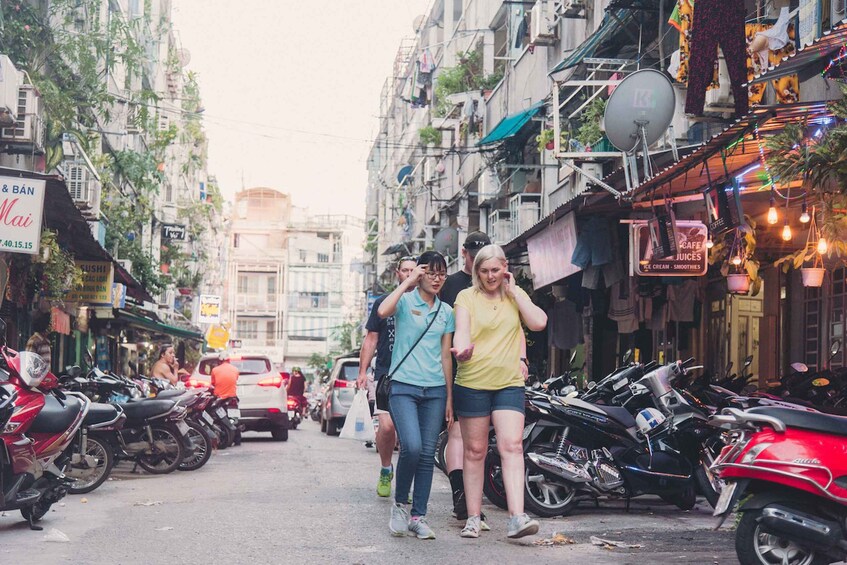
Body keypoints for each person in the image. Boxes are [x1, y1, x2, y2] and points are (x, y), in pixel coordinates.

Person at [451, 244, 547, 539]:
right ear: (476, 271)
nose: (490, 276)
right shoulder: (466, 297)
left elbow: (538, 323)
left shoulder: (514, 296)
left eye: (495, 270)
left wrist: (516, 292)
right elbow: (462, 331)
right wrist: (462, 351)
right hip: (473, 382)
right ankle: (473, 517)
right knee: (475, 451)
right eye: (484, 271)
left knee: (512, 446)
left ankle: (517, 517)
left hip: (508, 383)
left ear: (505, 267)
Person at [378, 251, 455, 540]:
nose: (437, 279)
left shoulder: (447, 312)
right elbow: (383, 311)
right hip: (403, 386)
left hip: (435, 390)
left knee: (426, 454)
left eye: (442, 273)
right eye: (431, 272)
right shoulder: (405, 302)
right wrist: (407, 281)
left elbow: (446, 357)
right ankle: (399, 505)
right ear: (421, 273)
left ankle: (418, 516)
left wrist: (449, 397)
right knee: (410, 445)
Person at [438, 231, 492, 524]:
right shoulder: (450, 285)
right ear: (464, 253)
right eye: (474, 257)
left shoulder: (496, 285)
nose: (478, 264)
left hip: (494, 372)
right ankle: (461, 495)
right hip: (458, 370)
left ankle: (472, 497)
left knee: (481, 441)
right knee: (458, 433)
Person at [356, 256, 417, 498]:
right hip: (386, 375)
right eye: (405, 270)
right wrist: (362, 371)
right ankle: (385, 468)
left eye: (414, 270)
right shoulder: (383, 304)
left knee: (409, 434)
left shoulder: (427, 304)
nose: (410, 274)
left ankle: (405, 481)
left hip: (415, 375)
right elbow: (371, 339)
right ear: (397, 274)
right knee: (388, 426)